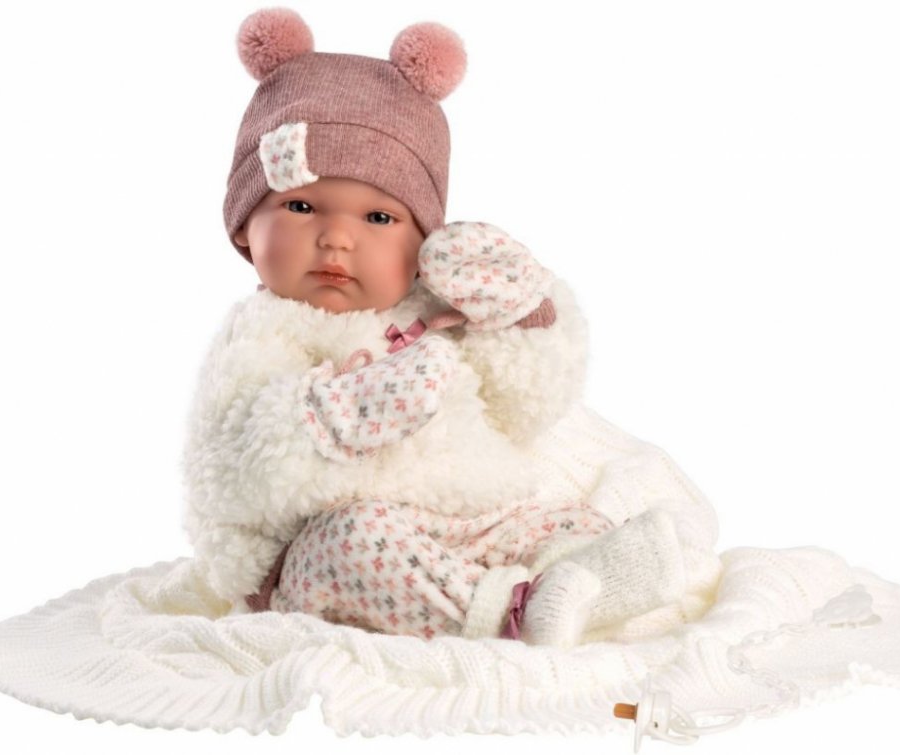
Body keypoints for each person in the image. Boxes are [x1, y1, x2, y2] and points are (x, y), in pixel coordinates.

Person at [181, 6, 720, 648]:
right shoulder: (261, 335)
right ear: (245, 226)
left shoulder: (432, 308)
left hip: (466, 522)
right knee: (353, 541)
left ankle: (578, 581)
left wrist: (522, 314)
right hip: (315, 552)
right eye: (301, 206)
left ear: (422, 240)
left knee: (558, 520)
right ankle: (512, 617)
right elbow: (233, 464)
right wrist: (350, 412)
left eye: (378, 218)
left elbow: (523, 409)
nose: (337, 238)